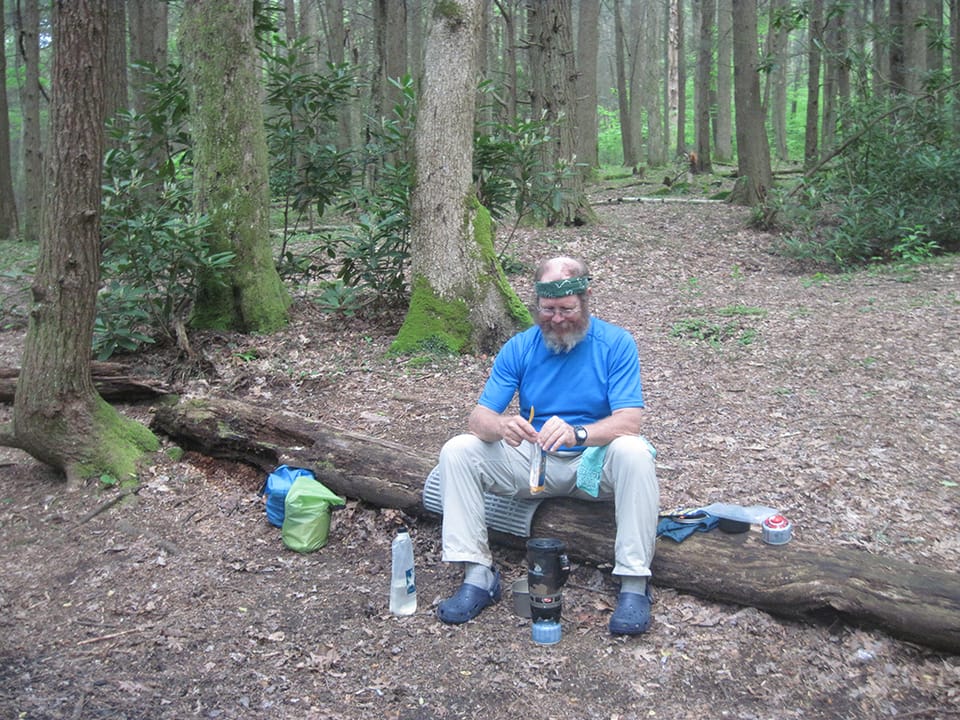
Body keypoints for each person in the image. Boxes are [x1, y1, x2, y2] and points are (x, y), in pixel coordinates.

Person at [436, 256, 659, 635]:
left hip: (594, 462)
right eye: (548, 309)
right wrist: (502, 425)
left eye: (567, 309)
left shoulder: (616, 343)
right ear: (536, 304)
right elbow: (478, 419)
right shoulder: (520, 347)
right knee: (458, 450)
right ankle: (477, 575)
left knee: (635, 451)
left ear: (586, 298)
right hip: (534, 460)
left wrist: (580, 434)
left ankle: (635, 585)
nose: (557, 319)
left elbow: (630, 422)